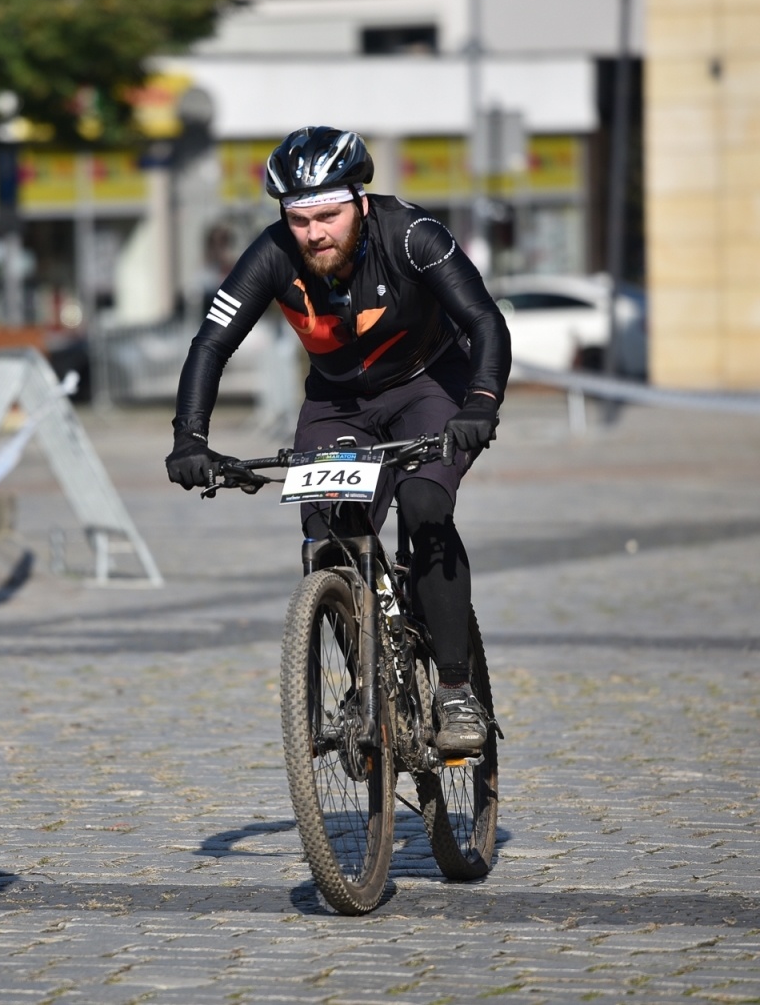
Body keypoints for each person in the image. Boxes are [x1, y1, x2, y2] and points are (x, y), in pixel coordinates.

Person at [165, 127, 512, 757]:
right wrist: (191, 438)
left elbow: (484, 319)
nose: (314, 232)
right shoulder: (272, 253)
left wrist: (481, 404)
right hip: (337, 402)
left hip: (430, 385)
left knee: (425, 506)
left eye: (328, 215)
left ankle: (457, 690)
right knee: (326, 537)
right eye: (299, 220)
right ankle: (365, 682)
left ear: (360, 201)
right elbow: (211, 344)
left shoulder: (413, 235)